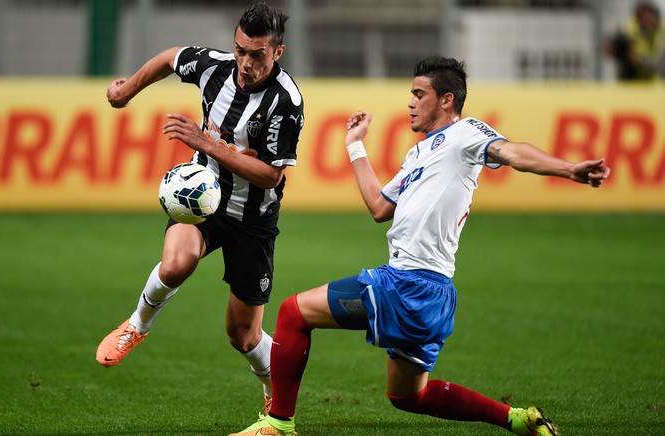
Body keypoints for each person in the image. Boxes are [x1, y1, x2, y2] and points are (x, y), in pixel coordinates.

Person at [230, 56, 611, 436]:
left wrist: (568, 169)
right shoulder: (418, 154)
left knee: (293, 313)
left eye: (418, 94)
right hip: (432, 292)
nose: (410, 102)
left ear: (446, 100)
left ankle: (278, 425)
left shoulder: (466, 134)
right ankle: (518, 419)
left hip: (407, 284)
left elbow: (514, 153)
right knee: (408, 396)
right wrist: (355, 146)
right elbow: (380, 207)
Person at [95, 2, 304, 413]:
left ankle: (273, 395)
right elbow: (171, 58)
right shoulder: (215, 67)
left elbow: (270, 176)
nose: (245, 62)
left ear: (277, 52)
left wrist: (207, 144)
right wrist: (127, 90)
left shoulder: (286, 102)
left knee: (242, 335)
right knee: (176, 264)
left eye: (256, 55)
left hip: (253, 219)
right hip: (203, 197)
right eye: (240, 50)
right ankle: (137, 325)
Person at [606, 1, 665, 80]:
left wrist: (639, 59)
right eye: (640, 17)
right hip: (633, 80)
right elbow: (614, 45)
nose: (644, 21)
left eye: (647, 16)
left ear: (655, 16)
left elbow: (660, 66)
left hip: (656, 84)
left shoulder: (662, 33)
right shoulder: (631, 28)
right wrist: (615, 49)